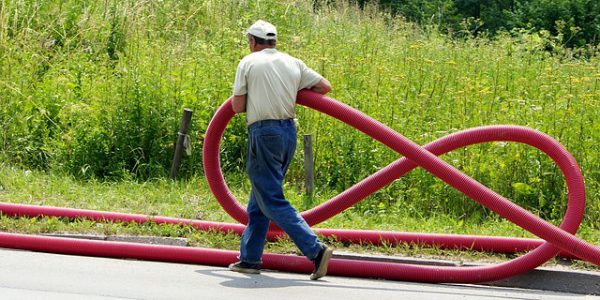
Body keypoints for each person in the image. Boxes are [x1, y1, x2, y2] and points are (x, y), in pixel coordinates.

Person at [228, 20, 333, 280]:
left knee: (271, 198)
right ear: (274, 41)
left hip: (264, 132)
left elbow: (237, 106)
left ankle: (315, 250)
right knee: (261, 196)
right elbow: (324, 87)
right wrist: (289, 89)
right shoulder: (292, 62)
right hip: (288, 132)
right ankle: (250, 258)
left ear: (252, 42)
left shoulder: (248, 62)